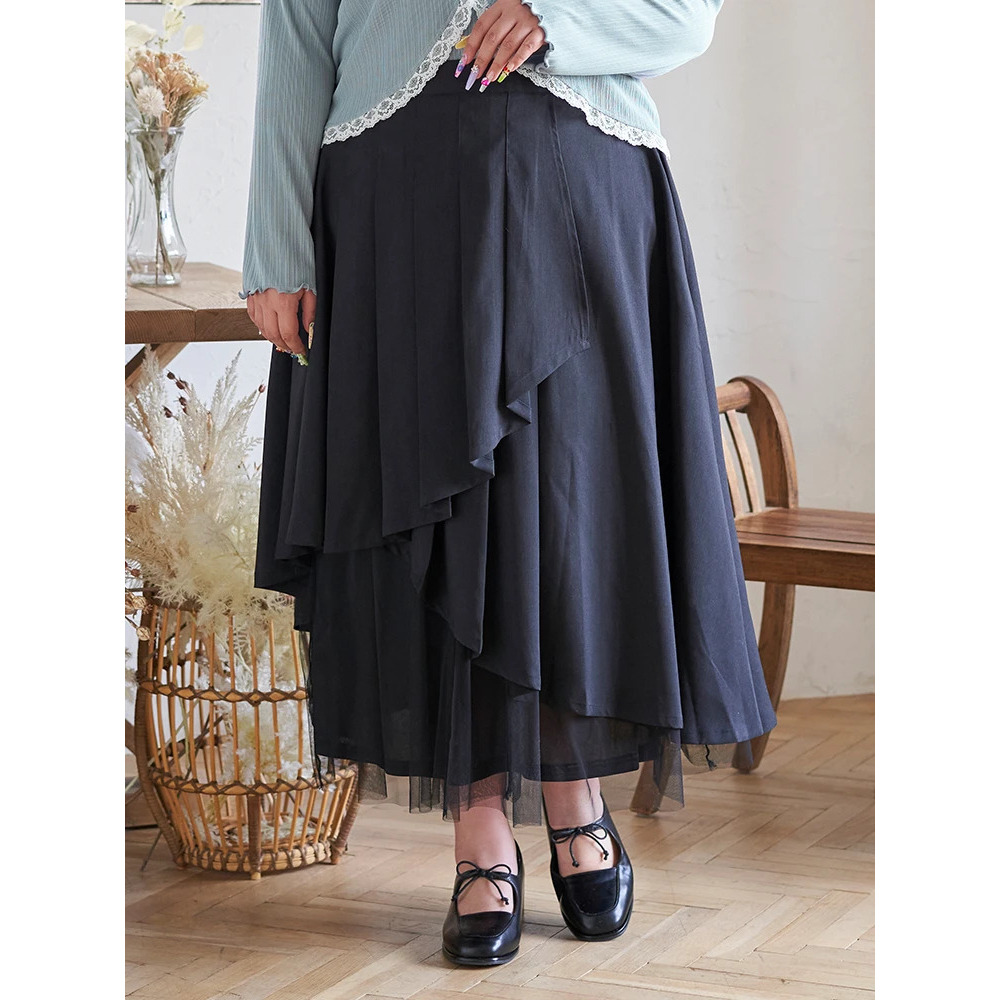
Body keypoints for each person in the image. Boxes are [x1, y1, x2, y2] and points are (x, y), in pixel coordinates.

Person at [241, 0, 776, 967]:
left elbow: (687, 13)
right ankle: (479, 825)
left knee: (570, 515)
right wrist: (277, 244)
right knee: (434, 525)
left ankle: (575, 793)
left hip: (578, 191)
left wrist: (557, 18)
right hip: (390, 205)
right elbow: (295, 28)